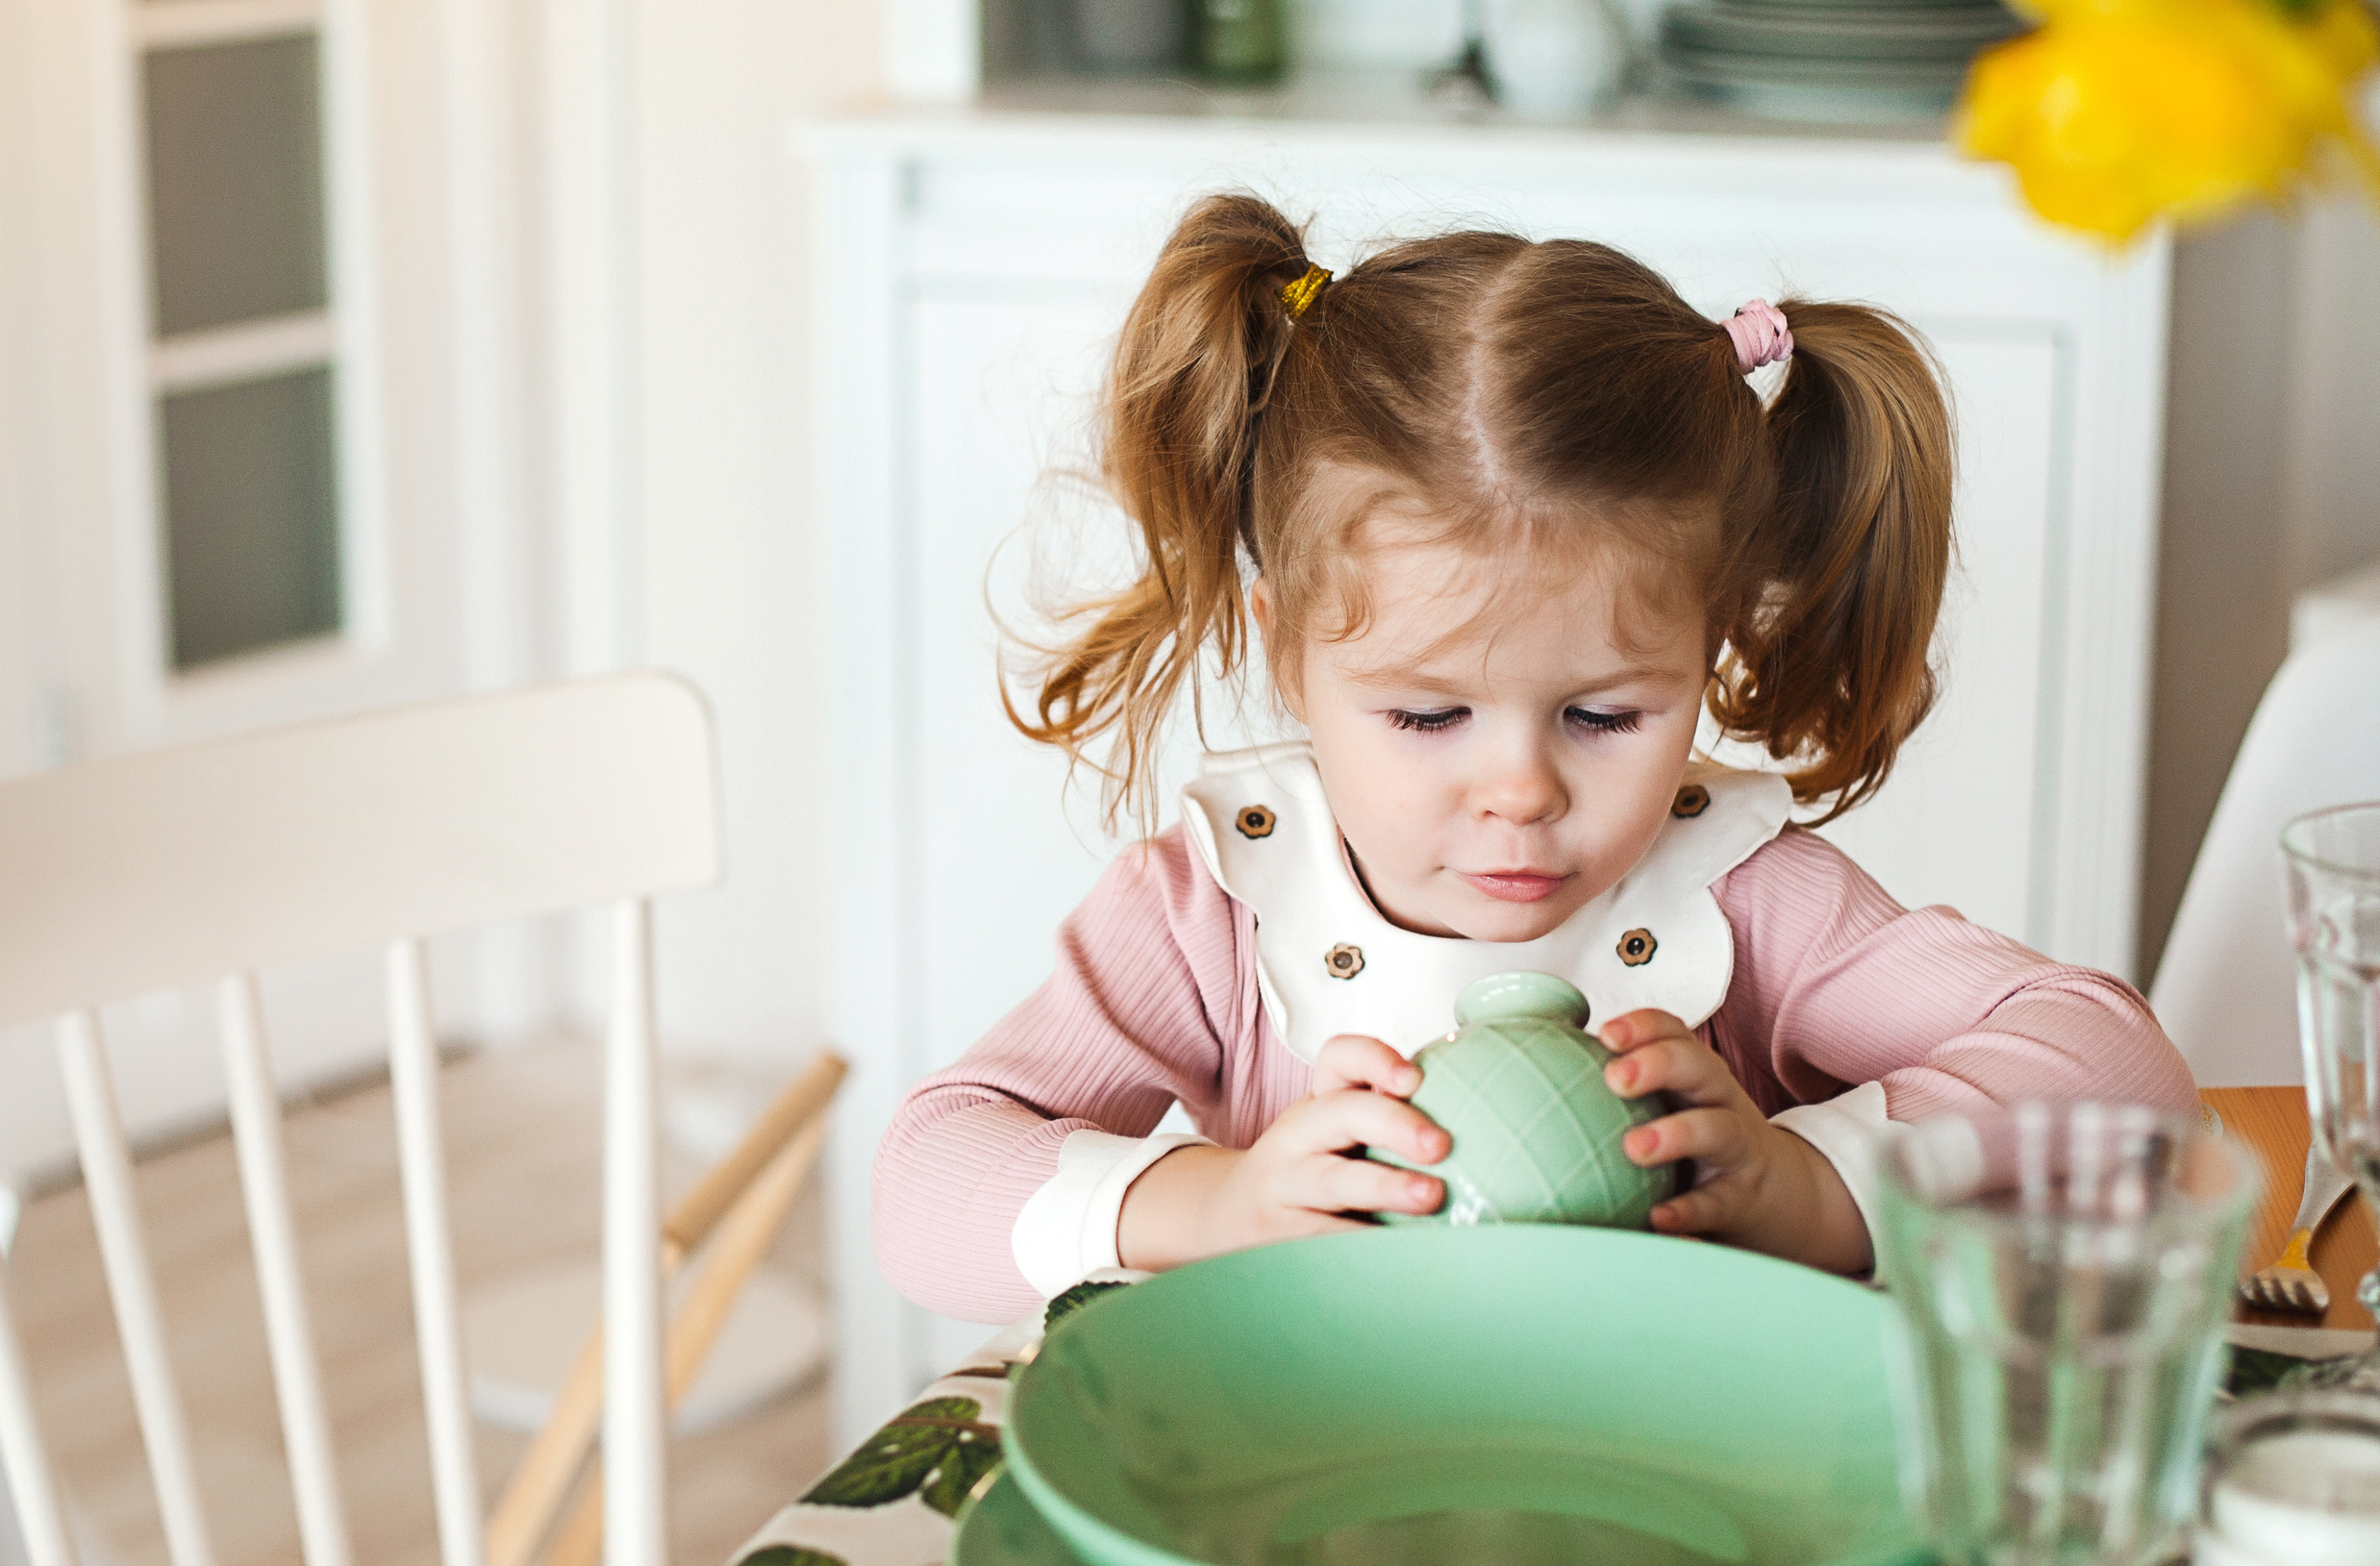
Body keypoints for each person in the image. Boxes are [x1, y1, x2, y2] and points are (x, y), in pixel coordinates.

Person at [873, 194, 2196, 1325]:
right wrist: (1214, 1201)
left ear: (1710, 641)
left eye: (1604, 716)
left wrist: (1819, 1181)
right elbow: (925, 1181)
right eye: (1427, 716)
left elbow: (2121, 1073)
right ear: (1286, 651)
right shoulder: (1212, 906)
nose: (1521, 794)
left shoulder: (1736, 893)